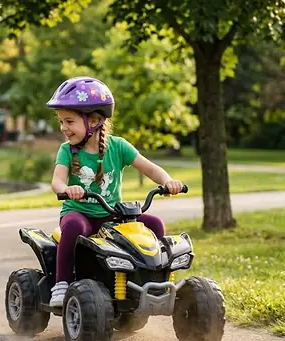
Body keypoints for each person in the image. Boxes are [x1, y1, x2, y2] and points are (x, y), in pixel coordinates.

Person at [46, 76, 185, 307]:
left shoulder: (118, 146)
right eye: (61, 122)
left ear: (94, 120)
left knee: (155, 224)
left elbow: (150, 168)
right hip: (81, 214)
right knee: (71, 226)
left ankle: (153, 281)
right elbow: (57, 182)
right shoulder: (67, 151)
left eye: (69, 121)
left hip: (111, 215)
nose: (63, 128)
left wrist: (168, 181)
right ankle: (62, 283)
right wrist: (67, 189)